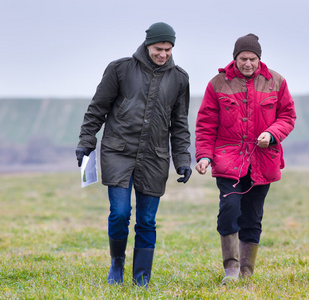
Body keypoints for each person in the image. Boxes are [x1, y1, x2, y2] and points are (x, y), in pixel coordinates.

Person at [75, 22, 192, 289]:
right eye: (158, 49)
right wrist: (86, 141)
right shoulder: (120, 69)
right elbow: (97, 110)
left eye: (168, 49)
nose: (163, 54)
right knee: (119, 212)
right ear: (147, 45)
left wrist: (183, 159)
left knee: (147, 220)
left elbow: (180, 124)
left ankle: (142, 278)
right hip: (118, 152)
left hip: (155, 157)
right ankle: (117, 262)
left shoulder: (180, 78)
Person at [194, 33, 296, 284]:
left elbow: (287, 117)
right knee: (229, 210)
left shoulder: (276, 82)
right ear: (235, 58)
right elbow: (206, 124)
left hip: (262, 161)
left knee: (253, 215)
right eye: (242, 58)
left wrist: (271, 134)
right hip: (228, 161)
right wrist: (204, 156)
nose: (247, 63)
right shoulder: (217, 84)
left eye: (252, 58)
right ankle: (231, 269)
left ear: (259, 59)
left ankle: (246, 272)